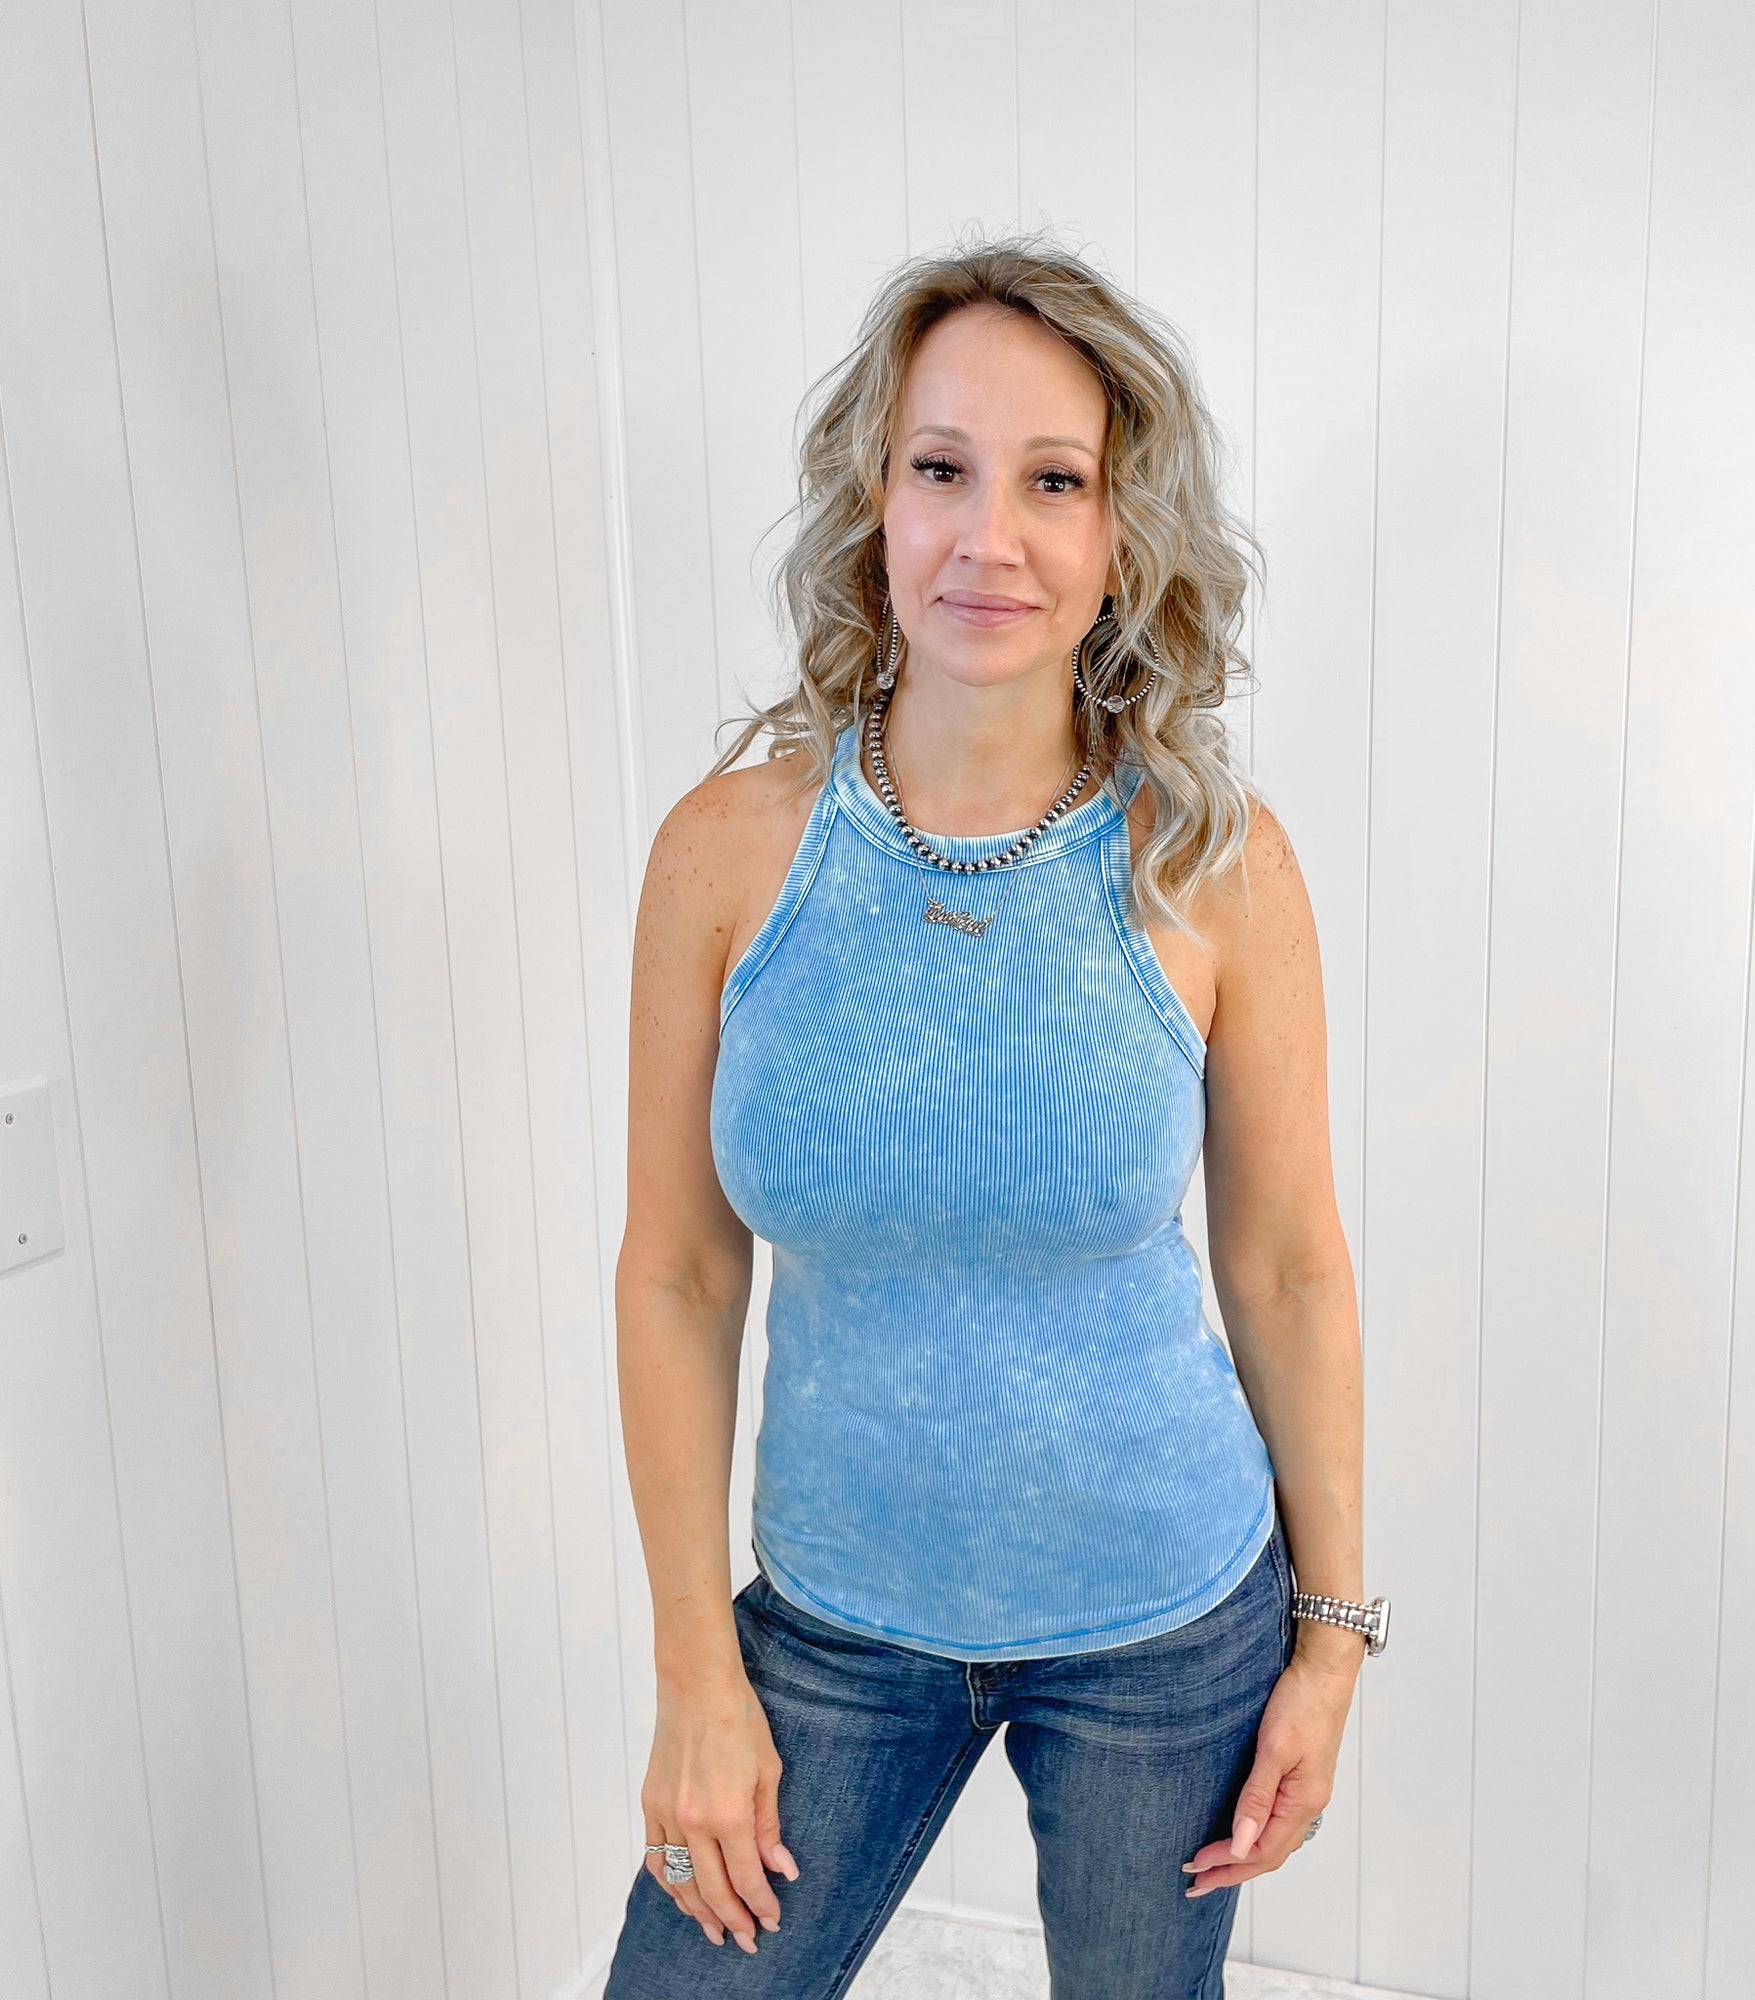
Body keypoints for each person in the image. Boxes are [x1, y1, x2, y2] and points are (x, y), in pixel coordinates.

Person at [603, 234, 1374, 2000]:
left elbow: (1286, 1267)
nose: (988, 537)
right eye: (941, 468)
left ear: (1121, 534)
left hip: (1166, 1629)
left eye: (1053, 482)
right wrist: (694, 1672)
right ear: (873, 500)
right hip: (833, 1620)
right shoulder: (727, 853)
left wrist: (1330, 1642)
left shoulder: (1216, 866)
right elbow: (678, 1276)